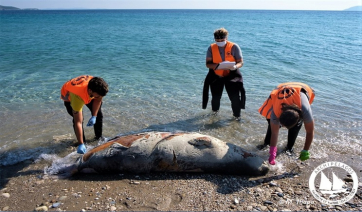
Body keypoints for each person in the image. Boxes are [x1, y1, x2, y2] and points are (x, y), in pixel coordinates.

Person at [258, 82, 315, 165]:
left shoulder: (305, 110)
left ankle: (289, 148)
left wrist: (305, 151)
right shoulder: (276, 111)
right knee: (272, 126)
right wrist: (272, 154)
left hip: (302, 89)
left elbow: (310, 132)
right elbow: (275, 133)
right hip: (282, 89)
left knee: (295, 128)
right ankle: (266, 143)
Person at [203, 28, 246, 120]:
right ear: (214, 39)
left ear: (226, 38)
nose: (220, 42)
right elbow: (208, 64)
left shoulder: (234, 47)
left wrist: (235, 67)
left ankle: (237, 117)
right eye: (217, 40)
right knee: (216, 97)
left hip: (232, 75)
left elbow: (241, 62)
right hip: (216, 74)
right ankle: (214, 115)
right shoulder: (211, 48)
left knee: (235, 98)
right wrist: (217, 66)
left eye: (222, 40)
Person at [60, 75, 109, 154]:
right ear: (90, 91)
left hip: (87, 91)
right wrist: (81, 144)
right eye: (98, 96)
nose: (100, 97)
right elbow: (78, 122)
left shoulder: (98, 88)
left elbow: (98, 100)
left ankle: (99, 138)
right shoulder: (77, 96)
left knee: (99, 114)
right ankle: (83, 143)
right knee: (79, 119)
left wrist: (94, 116)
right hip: (70, 97)